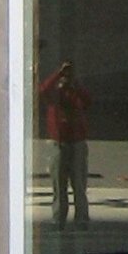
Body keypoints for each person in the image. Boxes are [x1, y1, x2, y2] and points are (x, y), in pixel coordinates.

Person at [39, 59, 92, 228]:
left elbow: (87, 101)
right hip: (58, 143)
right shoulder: (54, 95)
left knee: (79, 186)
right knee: (59, 186)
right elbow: (42, 91)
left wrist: (74, 84)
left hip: (77, 143)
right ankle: (58, 219)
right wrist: (57, 75)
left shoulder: (75, 92)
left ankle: (82, 219)